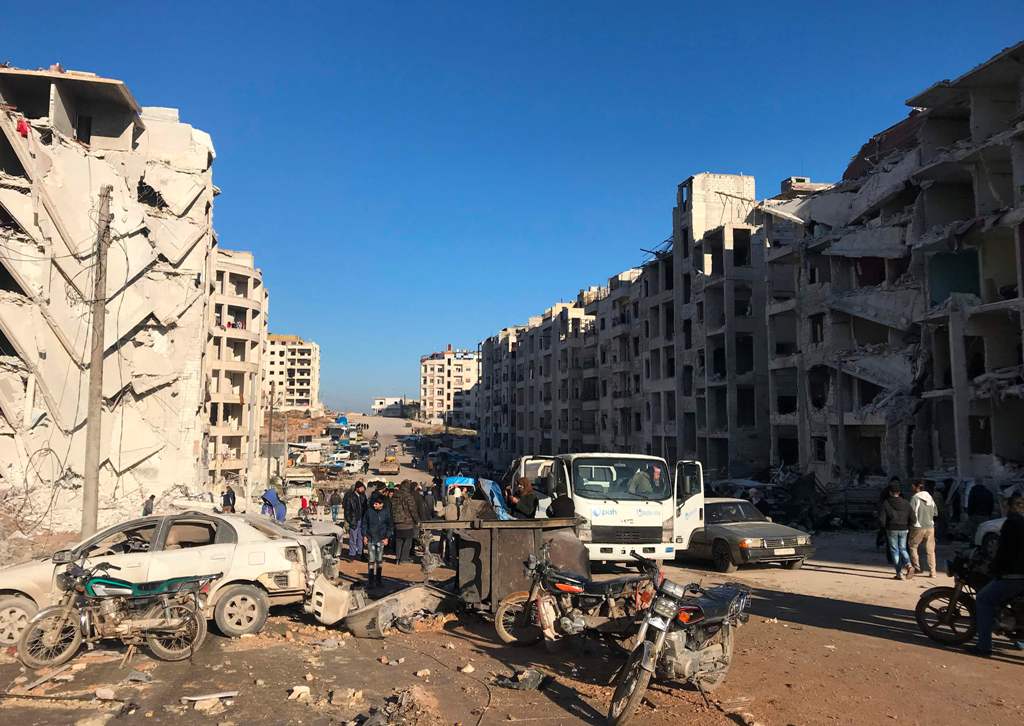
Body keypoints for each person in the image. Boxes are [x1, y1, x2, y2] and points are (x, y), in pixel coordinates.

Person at [973, 495, 1024, 656]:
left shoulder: (1011, 523)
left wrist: (994, 567)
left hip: (1014, 575)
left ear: (1008, 506)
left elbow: (1004, 552)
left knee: (983, 599)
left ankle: (984, 646)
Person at [879, 481, 916, 579]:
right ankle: (909, 565)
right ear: (899, 492)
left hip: (891, 529)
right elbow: (913, 518)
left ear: (890, 492)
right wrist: (909, 526)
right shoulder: (906, 503)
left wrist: (884, 528)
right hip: (904, 529)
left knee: (895, 550)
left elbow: (882, 519)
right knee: (903, 548)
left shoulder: (886, 503)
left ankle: (899, 573)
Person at [361, 493, 393, 588]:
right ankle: (370, 581)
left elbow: (390, 526)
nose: (374, 505)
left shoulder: (386, 512)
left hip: (381, 539)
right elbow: (364, 524)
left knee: (379, 560)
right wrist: (365, 535)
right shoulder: (369, 512)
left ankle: (378, 580)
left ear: (381, 504)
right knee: (371, 560)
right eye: (374, 503)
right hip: (371, 538)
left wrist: (387, 537)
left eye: (376, 503)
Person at [908, 480, 938, 577]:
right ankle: (933, 571)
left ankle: (917, 568)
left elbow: (910, 513)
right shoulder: (930, 498)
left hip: (918, 527)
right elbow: (935, 513)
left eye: (912, 486)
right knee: (930, 550)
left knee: (913, 546)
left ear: (915, 487)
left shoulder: (915, 498)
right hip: (930, 526)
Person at [392, 480, 421, 564]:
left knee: (399, 540)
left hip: (396, 522)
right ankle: (404, 559)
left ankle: (397, 558)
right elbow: (413, 510)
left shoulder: (395, 495)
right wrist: (417, 520)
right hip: (407, 522)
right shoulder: (408, 496)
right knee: (407, 540)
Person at [343, 482, 368, 560]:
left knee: (361, 537)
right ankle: (352, 554)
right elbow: (347, 511)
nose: (363, 489)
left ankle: (360, 553)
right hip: (354, 520)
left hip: (362, 520)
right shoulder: (350, 497)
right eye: (361, 488)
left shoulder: (363, 496)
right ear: (357, 488)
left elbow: (365, 508)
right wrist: (350, 520)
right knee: (353, 538)